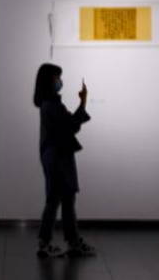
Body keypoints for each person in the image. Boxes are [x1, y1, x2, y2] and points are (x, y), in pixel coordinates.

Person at [33, 63, 97, 258]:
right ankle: (48, 243)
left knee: (65, 199)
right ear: (48, 80)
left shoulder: (51, 104)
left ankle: (70, 242)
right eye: (57, 77)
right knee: (56, 200)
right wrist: (83, 102)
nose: (60, 81)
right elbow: (72, 124)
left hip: (57, 156)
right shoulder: (51, 105)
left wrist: (81, 105)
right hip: (58, 159)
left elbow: (69, 123)